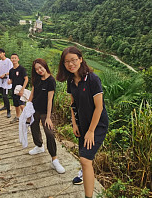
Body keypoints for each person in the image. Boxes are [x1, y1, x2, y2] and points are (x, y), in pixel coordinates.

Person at [56, 47, 109, 198]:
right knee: (85, 160)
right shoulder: (71, 80)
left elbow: (99, 107)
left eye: (73, 60)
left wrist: (91, 131)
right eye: (67, 61)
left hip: (97, 125)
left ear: (80, 59)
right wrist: (74, 123)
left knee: (85, 160)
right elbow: (73, 103)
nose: (70, 64)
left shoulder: (92, 79)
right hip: (82, 124)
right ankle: (85, 181)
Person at [27, 58, 65, 174]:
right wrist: (28, 108)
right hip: (34, 109)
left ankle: (54, 160)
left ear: (45, 66)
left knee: (49, 133)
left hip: (45, 111)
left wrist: (48, 117)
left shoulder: (51, 81)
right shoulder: (36, 79)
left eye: (40, 67)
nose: (39, 70)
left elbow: (50, 101)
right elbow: (32, 94)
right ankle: (39, 146)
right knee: (33, 127)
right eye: (36, 69)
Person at [8, 53, 29, 123]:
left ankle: (28, 118)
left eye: (15, 58)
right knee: (16, 105)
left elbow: (26, 79)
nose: (13, 59)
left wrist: (22, 90)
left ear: (18, 59)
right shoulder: (11, 71)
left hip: (20, 90)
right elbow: (11, 79)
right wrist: (9, 82)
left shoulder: (21, 69)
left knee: (22, 105)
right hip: (14, 90)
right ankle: (17, 117)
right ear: (11, 59)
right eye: (12, 58)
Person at [0, 48, 13, 118]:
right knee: (2, 94)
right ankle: (5, 106)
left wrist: (5, 74)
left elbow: (11, 71)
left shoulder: (8, 61)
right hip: (1, 80)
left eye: (0, 53)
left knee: (5, 95)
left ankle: (8, 111)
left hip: (6, 80)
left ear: (4, 53)